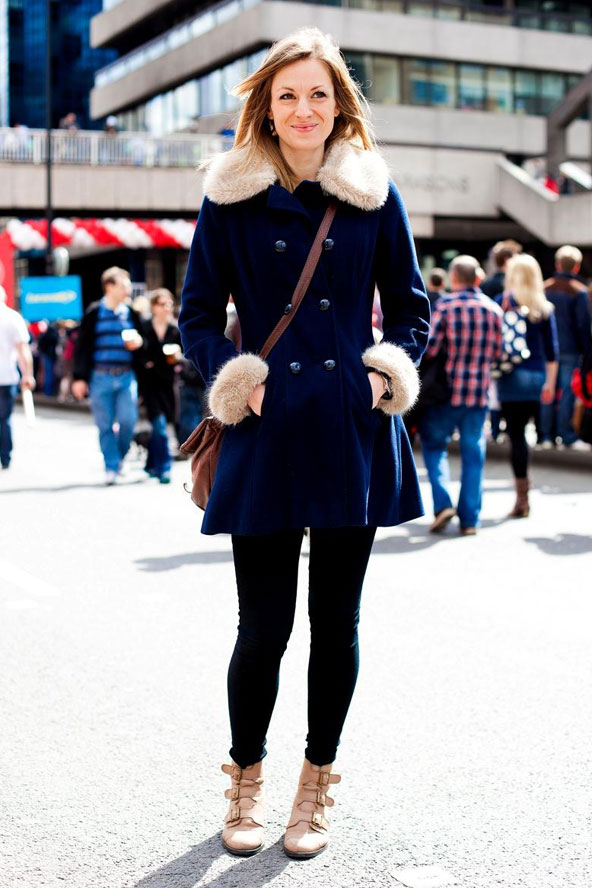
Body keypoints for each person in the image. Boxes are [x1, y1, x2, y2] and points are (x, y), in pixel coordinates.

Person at [178, 27, 430, 861]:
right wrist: (236, 380)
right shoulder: (229, 194)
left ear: (340, 104)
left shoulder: (371, 190)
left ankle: (315, 784)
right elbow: (195, 314)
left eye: (318, 93)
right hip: (264, 425)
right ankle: (245, 778)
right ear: (266, 105)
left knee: (337, 622)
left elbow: (410, 306)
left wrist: (383, 375)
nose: (303, 108)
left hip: (350, 428)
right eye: (288, 93)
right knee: (263, 626)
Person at [419, 255, 503, 535]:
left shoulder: (445, 306)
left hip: (445, 392)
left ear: (454, 278)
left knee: (434, 447)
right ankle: (469, 520)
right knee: (473, 453)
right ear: (477, 278)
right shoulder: (493, 310)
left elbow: (429, 349)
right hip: (478, 394)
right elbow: (498, 353)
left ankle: (443, 504)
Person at [494, 255, 558, 517]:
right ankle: (524, 495)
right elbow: (552, 351)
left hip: (511, 375)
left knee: (516, 435)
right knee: (528, 432)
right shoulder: (544, 307)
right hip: (537, 375)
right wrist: (550, 384)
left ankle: (522, 497)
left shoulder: (503, 302)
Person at [72, 267, 144, 485]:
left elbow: (144, 344)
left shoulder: (131, 314)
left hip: (126, 376)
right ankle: (111, 466)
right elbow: (82, 347)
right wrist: (79, 378)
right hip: (100, 377)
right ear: (109, 287)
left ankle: (119, 459)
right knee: (104, 425)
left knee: (128, 420)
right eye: (124, 285)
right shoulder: (94, 312)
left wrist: (139, 343)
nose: (128, 290)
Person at [540, 245, 592, 448]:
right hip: (570, 349)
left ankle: (545, 435)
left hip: (547, 349)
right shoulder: (579, 292)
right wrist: (586, 352)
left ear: (557, 264)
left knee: (548, 391)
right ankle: (565, 434)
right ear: (577, 267)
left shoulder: (544, 288)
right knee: (567, 393)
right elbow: (582, 326)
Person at [140, 288, 182, 483]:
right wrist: (144, 362)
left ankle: (150, 464)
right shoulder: (144, 327)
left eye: (170, 304)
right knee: (160, 428)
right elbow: (137, 353)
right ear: (154, 307)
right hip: (149, 385)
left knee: (161, 427)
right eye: (163, 304)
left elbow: (184, 355)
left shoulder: (175, 330)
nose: (167, 308)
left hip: (168, 385)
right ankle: (165, 468)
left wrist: (177, 358)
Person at [0, 285, 35, 469]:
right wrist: (27, 374)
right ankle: (5, 457)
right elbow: (23, 351)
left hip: (7, 377)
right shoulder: (13, 318)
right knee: (4, 419)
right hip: (7, 377)